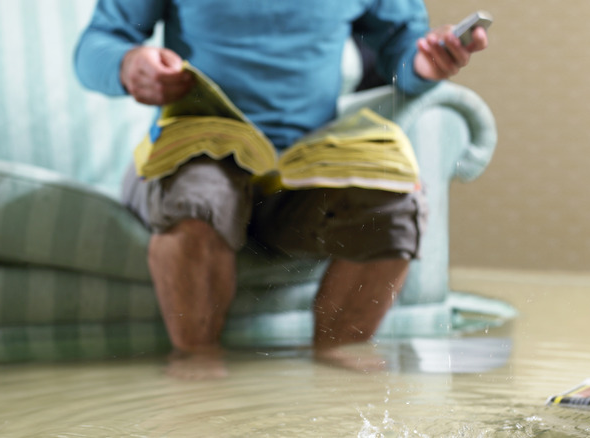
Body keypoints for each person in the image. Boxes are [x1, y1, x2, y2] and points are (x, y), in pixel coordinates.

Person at [75, 1, 488, 378]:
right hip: (199, 148)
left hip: (305, 165)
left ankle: (338, 352)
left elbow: (403, 56)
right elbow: (98, 43)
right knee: (198, 199)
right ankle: (196, 358)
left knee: (395, 208)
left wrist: (425, 65)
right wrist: (128, 63)